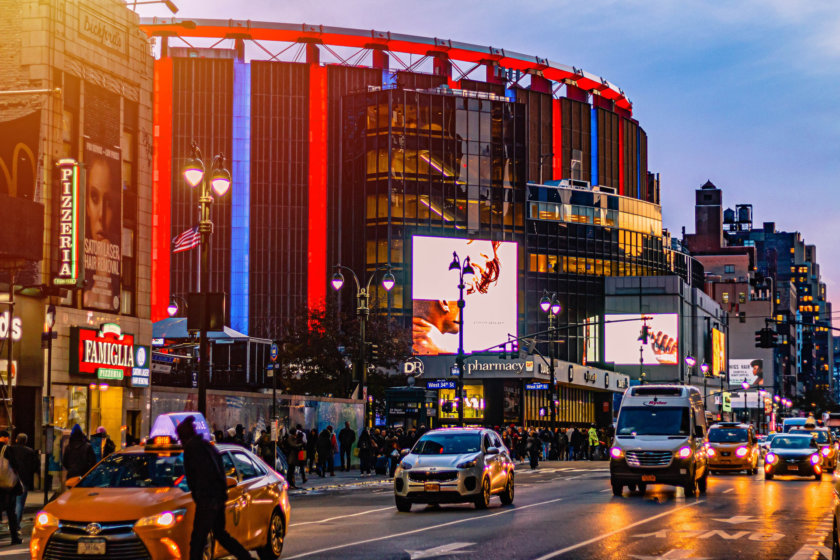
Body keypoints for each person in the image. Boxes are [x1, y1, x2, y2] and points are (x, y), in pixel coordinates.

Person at [176, 416, 251, 560]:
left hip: (207, 500)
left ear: (185, 436)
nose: (181, 441)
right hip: (217, 497)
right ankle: (245, 557)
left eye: (181, 438)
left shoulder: (192, 449)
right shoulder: (207, 446)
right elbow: (218, 471)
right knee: (220, 534)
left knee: (198, 540)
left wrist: (200, 497)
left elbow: (198, 476)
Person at [9, 433, 38, 527]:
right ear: (25, 441)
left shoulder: (10, 450)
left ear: (16, 440)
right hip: (24, 479)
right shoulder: (30, 451)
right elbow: (35, 466)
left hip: (11, 478)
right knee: (20, 502)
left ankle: (12, 523)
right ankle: (16, 524)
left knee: (10, 502)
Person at [0, 431, 22, 544]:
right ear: (5, 438)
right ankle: (14, 537)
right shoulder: (7, 449)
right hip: (6, 485)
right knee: (10, 512)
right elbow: (15, 465)